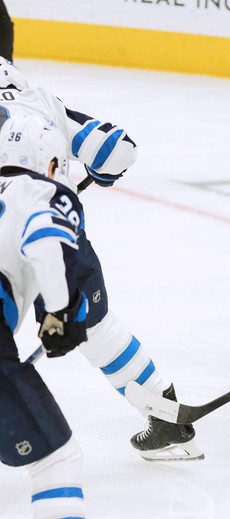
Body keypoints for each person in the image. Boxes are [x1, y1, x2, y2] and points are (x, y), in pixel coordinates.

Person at [0, 58, 203, 461]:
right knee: (95, 327)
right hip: (58, 230)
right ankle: (166, 418)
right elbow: (117, 149)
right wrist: (95, 176)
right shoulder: (40, 101)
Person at [0, 116, 89, 518]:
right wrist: (60, 312)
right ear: (50, 163)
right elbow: (45, 241)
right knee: (57, 461)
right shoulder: (41, 190)